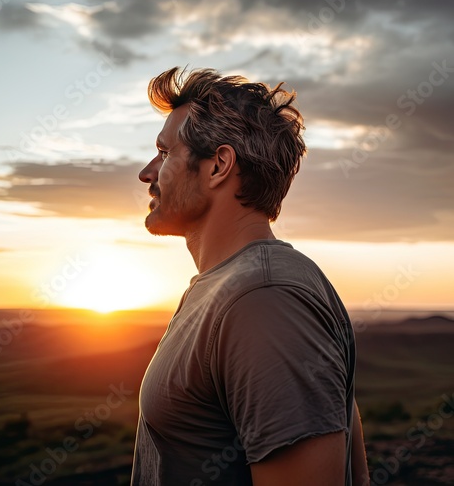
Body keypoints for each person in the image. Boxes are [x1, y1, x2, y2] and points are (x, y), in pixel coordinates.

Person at [131, 66, 369, 486]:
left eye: (165, 153)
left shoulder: (264, 299)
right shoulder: (230, 288)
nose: (147, 173)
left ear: (219, 165)